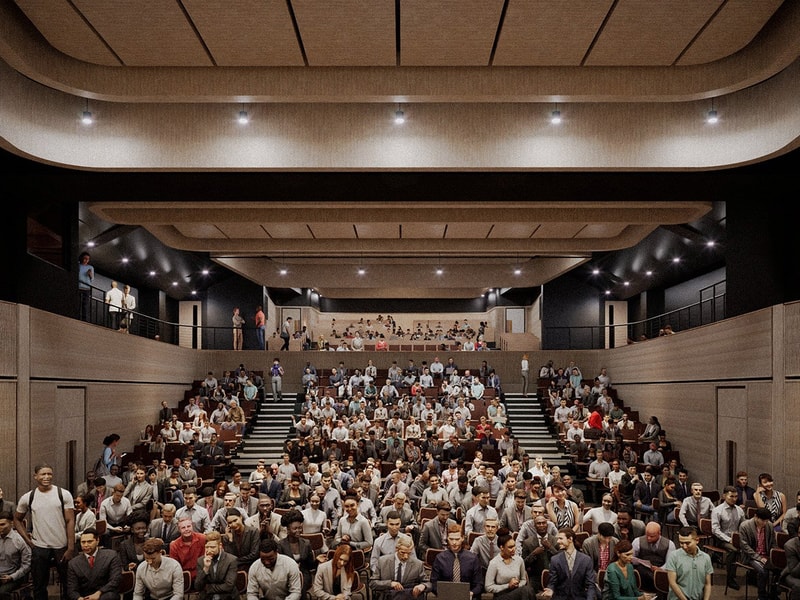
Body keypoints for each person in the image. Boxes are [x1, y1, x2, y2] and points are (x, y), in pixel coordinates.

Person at [14, 463, 76, 600]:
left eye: (49, 474)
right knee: (39, 586)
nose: (47, 477)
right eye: (43, 474)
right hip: (39, 547)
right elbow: (17, 520)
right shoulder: (28, 497)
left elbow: (70, 521)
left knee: (68, 584)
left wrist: (71, 547)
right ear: (35, 476)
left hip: (61, 546)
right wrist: (28, 541)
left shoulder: (63, 494)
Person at [67, 527, 122, 600]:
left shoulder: (111, 555)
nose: (86, 545)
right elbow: (71, 588)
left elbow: (115, 580)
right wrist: (79, 598)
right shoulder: (73, 563)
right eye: (83, 542)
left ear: (97, 541)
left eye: (89, 542)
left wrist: (99, 593)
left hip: (105, 594)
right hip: (85, 597)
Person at [540, 527, 596, 600]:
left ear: (570, 539)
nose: (558, 541)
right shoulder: (555, 560)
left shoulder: (586, 560)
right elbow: (552, 582)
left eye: (561, 538)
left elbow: (590, 585)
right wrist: (551, 590)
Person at [431, 524, 483, 600]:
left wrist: (471, 593)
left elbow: (479, 584)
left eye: (457, 539)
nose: (454, 542)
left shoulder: (473, 558)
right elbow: (434, 583)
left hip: (468, 596)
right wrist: (444, 593)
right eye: (451, 539)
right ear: (447, 538)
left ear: (462, 538)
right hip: (446, 597)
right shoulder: (440, 558)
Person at [370, 533, 429, 599]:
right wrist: (390, 584)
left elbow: (428, 583)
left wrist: (423, 586)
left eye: (409, 553)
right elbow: (373, 583)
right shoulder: (383, 561)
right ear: (396, 549)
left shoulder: (418, 564)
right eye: (403, 553)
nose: (406, 556)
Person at [664, 527, 713, 600]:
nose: (684, 546)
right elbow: (672, 583)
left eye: (687, 543)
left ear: (697, 540)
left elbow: (707, 584)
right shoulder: (673, 556)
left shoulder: (706, 558)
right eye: (681, 543)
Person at [739, 507, 776, 600]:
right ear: (756, 517)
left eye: (767, 521)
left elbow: (772, 543)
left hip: (766, 554)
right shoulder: (745, 526)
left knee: (777, 569)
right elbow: (745, 546)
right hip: (751, 556)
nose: (765, 523)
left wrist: (773, 556)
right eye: (763, 520)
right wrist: (759, 558)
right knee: (763, 571)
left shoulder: (769, 525)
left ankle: (773, 594)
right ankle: (761, 596)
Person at [194, 530, 239, 600]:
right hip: (208, 598)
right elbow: (198, 587)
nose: (209, 550)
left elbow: (229, 586)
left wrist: (208, 588)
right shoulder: (201, 561)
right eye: (207, 547)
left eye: (212, 547)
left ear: (220, 546)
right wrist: (205, 569)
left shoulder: (231, 560)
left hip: (227, 597)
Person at [0, 509, 31, 597]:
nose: (0, 527)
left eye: (2, 524)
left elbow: (27, 565)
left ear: (11, 524)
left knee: (2, 593)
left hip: (14, 576)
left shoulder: (19, 541)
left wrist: (12, 577)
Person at [170, 516, 207, 582]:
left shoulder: (202, 538)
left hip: (203, 574)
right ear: (179, 530)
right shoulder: (174, 545)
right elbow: (175, 567)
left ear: (192, 526)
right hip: (184, 577)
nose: (186, 529)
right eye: (183, 528)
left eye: (188, 526)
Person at [78, 251, 94, 321]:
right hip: (79, 286)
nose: (86, 260)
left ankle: (84, 319)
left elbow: (92, 279)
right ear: (81, 258)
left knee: (85, 305)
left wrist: (90, 274)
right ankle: (77, 317)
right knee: (78, 303)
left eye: (88, 259)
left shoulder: (90, 267)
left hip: (87, 287)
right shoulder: (78, 265)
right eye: (85, 258)